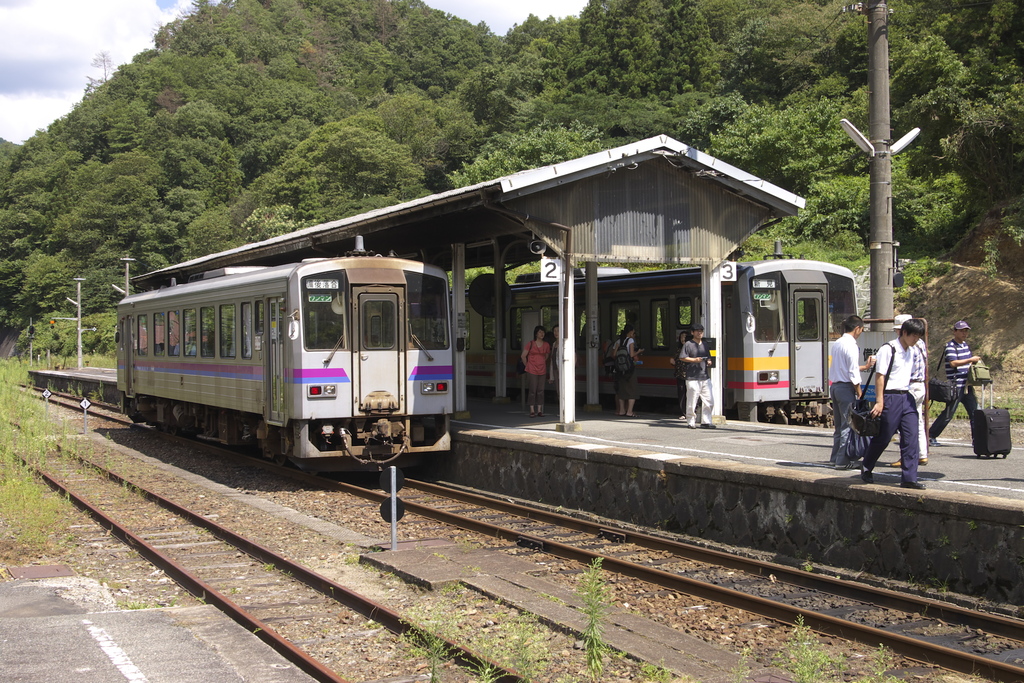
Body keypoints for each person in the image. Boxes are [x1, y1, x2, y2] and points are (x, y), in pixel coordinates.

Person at [859, 317, 927, 489]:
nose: (915, 340)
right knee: (884, 436)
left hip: (907, 395)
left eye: (918, 337)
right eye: (913, 336)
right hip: (890, 397)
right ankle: (867, 465)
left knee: (911, 437)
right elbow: (880, 376)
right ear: (904, 332)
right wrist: (879, 401)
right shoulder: (889, 349)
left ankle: (909, 478)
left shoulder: (912, 350)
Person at [829, 315, 875, 468]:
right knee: (847, 425)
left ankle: (835, 457)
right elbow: (853, 373)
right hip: (846, 388)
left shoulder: (837, 343)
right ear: (857, 329)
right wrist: (860, 392)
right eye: (861, 330)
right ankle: (842, 462)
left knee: (839, 425)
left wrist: (865, 367)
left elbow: (844, 368)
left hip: (835, 386)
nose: (861, 332)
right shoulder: (852, 346)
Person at [928, 320, 982, 446]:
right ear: (954, 332)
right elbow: (953, 363)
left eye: (966, 331)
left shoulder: (965, 345)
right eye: (961, 331)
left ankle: (978, 439)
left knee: (975, 413)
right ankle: (931, 435)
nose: (964, 333)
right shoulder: (950, 346)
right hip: (956, 386)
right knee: (949, 413)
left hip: (966, 385)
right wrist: (970, 359)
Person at [887, 314, 929, 467]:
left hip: (909, 387)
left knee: (905, 424)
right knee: (917, 421)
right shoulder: (921, 343)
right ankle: (922, 454)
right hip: (920, 385)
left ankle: (907, 456)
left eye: (899, 330)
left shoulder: (908, 347)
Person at [679, 323, 715, 429]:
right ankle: (691, 421)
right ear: (692, 332)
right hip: (692, 377)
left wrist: (708, 361)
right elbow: (682, 357)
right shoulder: (688, 344)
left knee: (709, 400)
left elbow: (708, 357)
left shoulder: (705, 344)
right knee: (692, 400)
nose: (700, 333)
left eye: (701, 331)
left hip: (704, 376)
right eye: (697, 331)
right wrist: (694, 360)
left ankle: (706, 421)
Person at [520, 325, 550, 418]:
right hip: (531, 369)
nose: (542, 334)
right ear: (536, 333)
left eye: (543, 332)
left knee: (541, 390)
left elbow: (546, 356)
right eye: (540, 332)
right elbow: (523, 356)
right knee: (532, 390)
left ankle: (540, 410)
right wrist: (528, 365)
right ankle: (532, 410)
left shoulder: (546, 345)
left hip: (542, 369)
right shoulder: (530, 343)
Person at [614, 324, 643, 417]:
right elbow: (631, 354)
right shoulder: (630, 340)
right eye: (633, 332)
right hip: (629, 369)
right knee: (632, 390)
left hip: (619, 369)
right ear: (630, 332)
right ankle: (629, 411)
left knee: (622, 390)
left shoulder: (619, 341)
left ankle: (622, 410)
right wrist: (639, 351)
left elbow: (613, 354)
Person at [669, 331, 688, 418]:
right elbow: (675, 359)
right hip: (680, 374)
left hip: (689, 375)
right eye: (681, 338)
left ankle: (691, 412)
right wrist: (672, 361)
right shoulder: (678, 349)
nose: (683, 339)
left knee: (691, 393)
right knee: (681, 393)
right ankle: (683, 412)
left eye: (684, 337)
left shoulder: (690, 348)